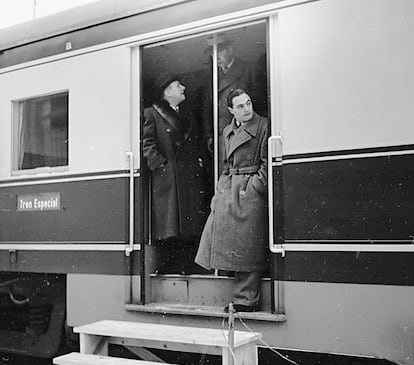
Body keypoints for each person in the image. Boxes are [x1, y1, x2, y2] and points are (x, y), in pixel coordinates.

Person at [195, 89, 269, 312]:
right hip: (231, 187)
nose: (247, 109)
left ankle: (246, 299)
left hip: (249, 189)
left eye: (248, 103)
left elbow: (267, 164)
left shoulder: (264, 126)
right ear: (230, 110)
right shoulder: (228, 131)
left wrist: (254, 187)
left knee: (247, 245)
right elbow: (227, 164)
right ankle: (238, 292)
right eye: (240, 106)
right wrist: (221, 187)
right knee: (218, 231)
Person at [143, 72, 209, 274]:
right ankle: (168, 267)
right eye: (178, 85)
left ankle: (185, 267)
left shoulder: (188, 116)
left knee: (188, 225)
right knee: (169, 227)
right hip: (168, 180)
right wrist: (162, 167)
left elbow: (197, 144)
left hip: (188, 178)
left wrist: (197, 163)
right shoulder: (152, 114)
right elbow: (148, 145)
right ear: (168, 91)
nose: (183, 88)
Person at [202, 34, 264, 175]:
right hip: (222, 138)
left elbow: (259, 103)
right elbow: (207, 109)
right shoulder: (212, 77)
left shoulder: (249, 69)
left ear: (231, 50)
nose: (216, 57)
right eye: (213, 53)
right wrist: (209, 135)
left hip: (244, 136)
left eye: (220, 51)